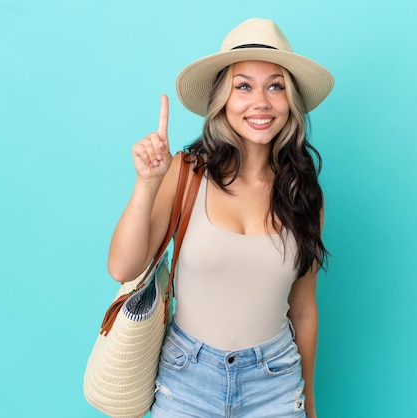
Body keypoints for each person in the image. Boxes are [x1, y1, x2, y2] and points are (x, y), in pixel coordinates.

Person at [107, 18, 334, 417]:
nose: (260, 101)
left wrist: (309, 400)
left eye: (275, 86)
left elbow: (303, 309)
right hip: (186, 380)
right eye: (243, 85)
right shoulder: (185, 173)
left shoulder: (305, 194)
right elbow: (122, 267)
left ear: (290, 101)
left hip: (276, 383)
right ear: (222, 99)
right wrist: (146, 183)